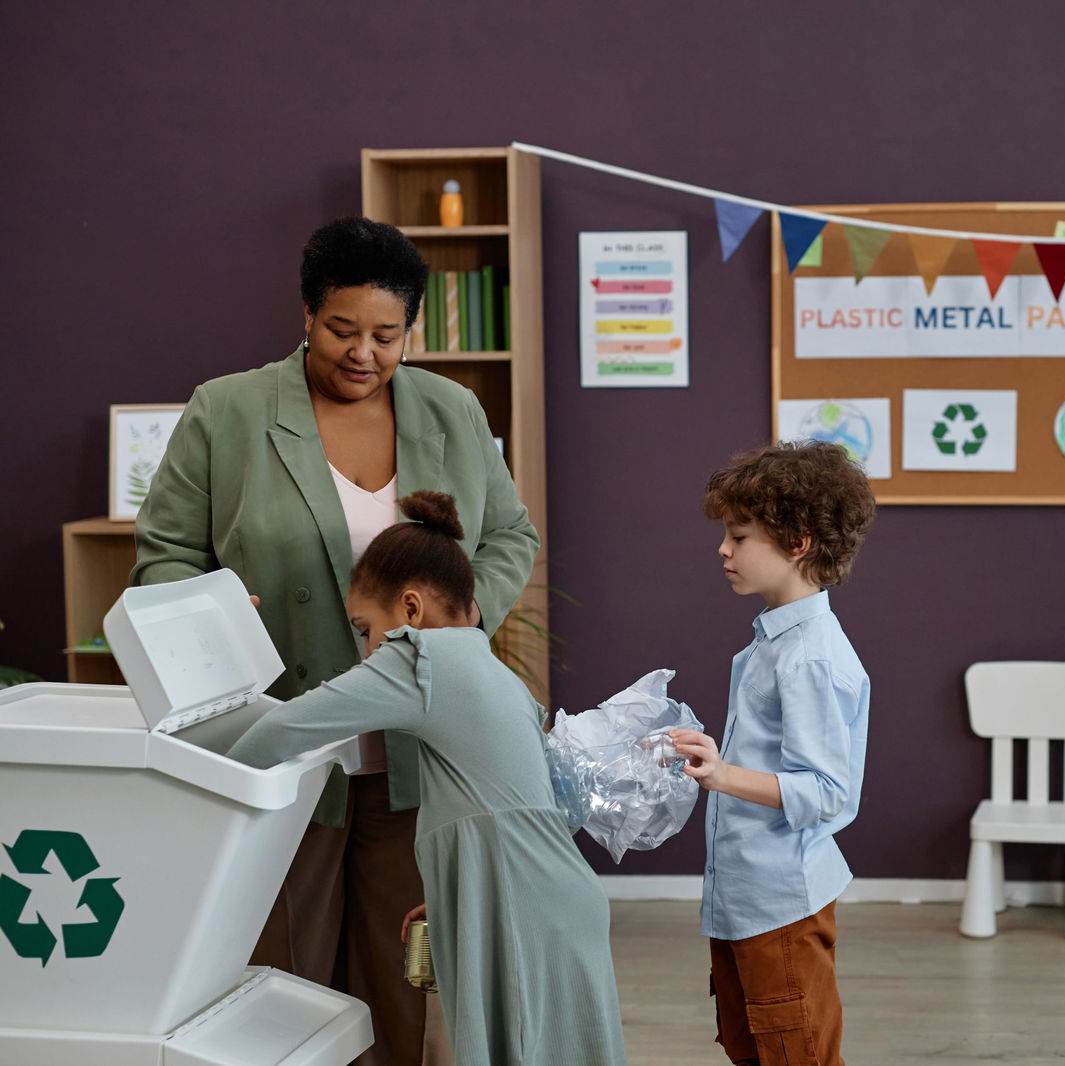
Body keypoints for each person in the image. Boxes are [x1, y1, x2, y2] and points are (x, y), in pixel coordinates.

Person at [132, 217, 538, 1065]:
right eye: (342, 330)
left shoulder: (451, 410)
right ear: (307, 314)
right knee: (285, 978)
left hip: (420, 757)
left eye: (386, 336)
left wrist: (453, 634)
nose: (364, 354)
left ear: (410, 330)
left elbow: (509, 537)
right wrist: (210, 607)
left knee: (401, 980)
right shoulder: (229, 410)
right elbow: (164, 556)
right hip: (285, 749)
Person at [227, 491, 626, 1066]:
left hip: (520, 903)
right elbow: (502, 801)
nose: (367, 651)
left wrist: (205, 782)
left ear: (410, 609)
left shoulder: (417, 659)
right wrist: (450, 893)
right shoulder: (493, 669)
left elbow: (286, 727)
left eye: (365, 629)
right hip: (552, 895)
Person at [667, 441, 876, 1066]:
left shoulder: (809, 656)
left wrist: (723, 774)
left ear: (798, 542)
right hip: (743, 897)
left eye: (740, 536)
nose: (723, 550)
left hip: (778, 904)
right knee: (752, 1049)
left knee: (797, 1054)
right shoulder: (774, 640)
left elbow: (828, 793)